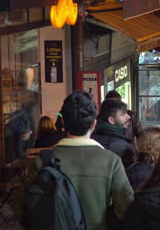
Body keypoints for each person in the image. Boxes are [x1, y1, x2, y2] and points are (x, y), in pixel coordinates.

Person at [24, 91, 134, 230]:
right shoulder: (111, 161)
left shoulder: (43, 159)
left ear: (63, 121)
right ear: (94, 124)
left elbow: (23, 206)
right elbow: (126, 208)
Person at [92, 99, 134, 167]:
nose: (128, 117)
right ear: (111, 120)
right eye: (123, 114)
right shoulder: (124, 146)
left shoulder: (91, 137)